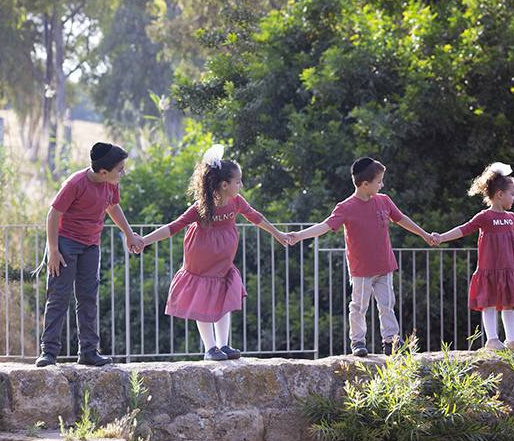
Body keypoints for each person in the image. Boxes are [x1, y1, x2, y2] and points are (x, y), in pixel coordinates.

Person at [136, 145, 291, 361]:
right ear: (224, 185)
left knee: (224, 295)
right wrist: (144, 240)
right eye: (238, 182)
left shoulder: (236, 202)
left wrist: (277, 233)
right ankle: (210, 348)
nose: (242, 185)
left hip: (223, 260)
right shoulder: (202, 207)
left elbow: (256, 217)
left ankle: (223, 345)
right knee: (204, 297)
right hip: (201, 258)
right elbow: (174, 226)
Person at [285, 157, 438, 357]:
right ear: (365, 184)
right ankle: (358, 342)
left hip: (384, 265)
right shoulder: (346, 207)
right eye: (379, 181)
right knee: (358, 306)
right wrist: (300, 235)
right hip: (361, 269)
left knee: (387, 305)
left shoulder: (384, 200)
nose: (382, 185)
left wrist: (424, 234)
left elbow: (401, 218)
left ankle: (391, 341)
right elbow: (325, 225)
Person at [40, 142, 143, 367]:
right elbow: (53, 215)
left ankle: (88, 351)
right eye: (120, 169)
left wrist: (128, 234)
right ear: (103, 171)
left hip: (91, 247)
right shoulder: (75, 183)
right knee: (58, 297)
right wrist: (54, 251)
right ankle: (48, 352)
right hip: (66, 245)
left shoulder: (111, 183)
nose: (123, 173)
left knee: (88, 299)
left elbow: (113, 207)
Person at [436, 163, 514, 353]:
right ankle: (492, 340)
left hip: (509, 269)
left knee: (509, 304)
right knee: (488, 303)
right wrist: (441, 237)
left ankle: (512, 341)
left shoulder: (512, 218)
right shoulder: (485, 217)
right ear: (500, 194)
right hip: (489, 269)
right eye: (512, 194)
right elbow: (464, 229)